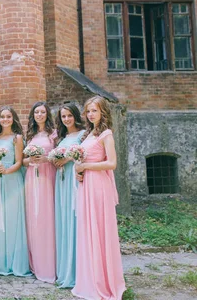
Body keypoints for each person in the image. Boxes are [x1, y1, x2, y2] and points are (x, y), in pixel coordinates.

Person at [72, 96, 125, 300]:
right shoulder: (89, 134)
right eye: (88, 111)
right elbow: (83, 159)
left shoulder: (106, 134)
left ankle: (105, 282)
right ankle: (90, 278)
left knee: (100, 229)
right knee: (87, 229)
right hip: (86, 185)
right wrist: (79, 169)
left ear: (103, 112)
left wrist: (86, 166)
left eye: (94, 110)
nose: (91, 114)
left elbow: (111, 163)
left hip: (99, 186)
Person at [0, 106, 31, 277]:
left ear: (13, 118)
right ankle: (0, 260)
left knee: (12, 219)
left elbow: (19, 162)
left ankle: (15, 261)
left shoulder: (17, 138)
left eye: (8, 116)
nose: (5, 119)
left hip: (12, 179)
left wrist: (7, 171)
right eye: (2, 117)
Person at [22, 101, 57, 283]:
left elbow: (57, 157)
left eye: (42, 112)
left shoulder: (53, 134)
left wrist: (44, 158)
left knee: (47, 216)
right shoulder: (30, 135)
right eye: (36, 112)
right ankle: (34, 261)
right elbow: (23, 161)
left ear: (47, 114)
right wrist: (30, 159)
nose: (39, 115)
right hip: (31, 176)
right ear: (33, 115)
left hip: (47, 175)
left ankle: (49, 263)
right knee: (33, 218)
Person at [53, 103, 84, 288]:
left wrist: (66, 159)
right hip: (61, 180)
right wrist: (55, 159)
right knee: (64, 220)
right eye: (63, 116)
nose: (66, 119)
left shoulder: (82, 135)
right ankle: (65, 269)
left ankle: (77, 270)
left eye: (69, 116)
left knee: (74, 219)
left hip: (73, 180)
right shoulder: (62, 137)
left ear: (75, 116)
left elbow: (81, 153)